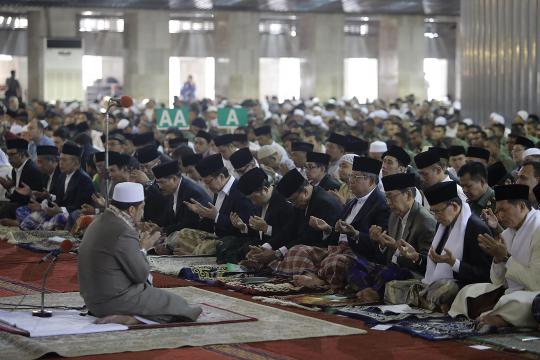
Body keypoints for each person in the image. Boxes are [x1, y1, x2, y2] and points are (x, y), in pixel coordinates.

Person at [79, 182, 202, 324]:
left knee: (167, 303)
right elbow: (141, 275)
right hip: (113, 301)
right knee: (179, 306)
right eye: (142, 208)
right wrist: (143, 248)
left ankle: (135, 316)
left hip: (92, 301)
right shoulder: (123, 231)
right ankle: (131, 318)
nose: (142, 213)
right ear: (131, 210)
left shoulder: (99, 221)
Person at [385, 181, 492, 312]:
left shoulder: (475, 227)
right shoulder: (442, 226)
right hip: (433, 284)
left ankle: (427, 303)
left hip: (462, 285)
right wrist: (417, 257)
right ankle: (431, 304)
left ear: (454, 206)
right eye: (433, 212)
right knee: (392, 287)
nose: (435, 217)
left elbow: (485, 274)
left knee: (444, 289)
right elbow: (435, 267)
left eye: (438, 212)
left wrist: (455, 263)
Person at [450, 184, 540, 331]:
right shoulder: (507, 234)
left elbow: (536, 283)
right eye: (498, 211)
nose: (500, 216)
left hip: (533, 294)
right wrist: (498, 260)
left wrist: (505, 257)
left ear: (522, 206)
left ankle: (498, 319)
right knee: (468, 291)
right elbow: (497, 281)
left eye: (504, 210)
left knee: (516, 302)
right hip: (511, 291)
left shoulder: (538, 229)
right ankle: (497, 317)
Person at [351, 173, 436, 302]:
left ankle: (372, 292)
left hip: (410, 273)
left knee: (390, 273)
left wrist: (407, 253)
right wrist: (381, 243)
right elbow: (386, 256)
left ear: (407, 195)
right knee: (353, 263)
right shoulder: (394, 215)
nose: (388, 203)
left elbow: (427, 266)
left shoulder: (425, 221)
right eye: (386, 198)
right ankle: (372, 292)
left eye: (391, 197)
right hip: (390, 269)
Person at [232, 167, 296, 269]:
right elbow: (260, 232)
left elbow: (290, 235)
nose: (252, 202)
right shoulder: (260, 203)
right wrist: (244, 227)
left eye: (253, 198)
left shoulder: (284, 204)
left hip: (281, 251)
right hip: (264, 246)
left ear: (265, 190)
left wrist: (267, 229)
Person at [152, 160, 211, 235]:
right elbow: (169, 217)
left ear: (174, 179)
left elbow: (189, 225)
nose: (159, 187)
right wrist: (156, 225)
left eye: (162, 182)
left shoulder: (192, 193)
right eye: (158, 183)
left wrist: (163, 230)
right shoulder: (171, 190)